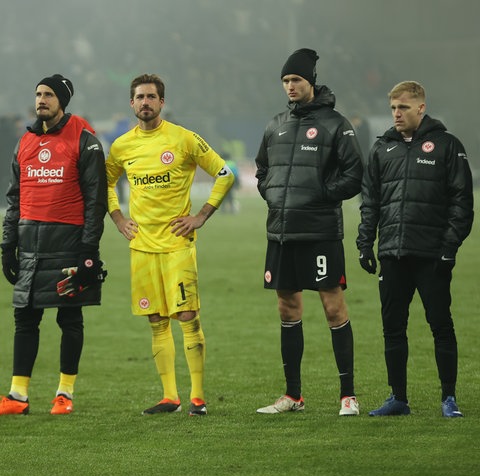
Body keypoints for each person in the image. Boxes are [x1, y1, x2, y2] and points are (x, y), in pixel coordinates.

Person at [105, 74, 234, 416]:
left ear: (162, 102)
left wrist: (202, 215)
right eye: (139, 97)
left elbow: (224, 173)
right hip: (142, 246)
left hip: (177, 243)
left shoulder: (184, 138)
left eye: (151, 96)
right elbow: (104, 182)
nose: (145, 102)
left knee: (187, 315)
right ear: (131, 104)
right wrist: (118, 218)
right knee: (156, 319)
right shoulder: (121, 146)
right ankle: (169, 397)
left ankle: (197, 397)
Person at [255, 48, 364, 415]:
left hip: (320, 232)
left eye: (296, 80)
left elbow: (354, 175)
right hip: (281, 233)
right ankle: (293, 395)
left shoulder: (336, 124)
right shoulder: (275, 124)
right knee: (287, 308)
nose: (290, 86)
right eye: (285, 81)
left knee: (333, 307)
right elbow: (261, 171)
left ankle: (347, 394)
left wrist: (320, 196)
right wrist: (272, 195)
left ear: (311, 83)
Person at [357, 81, 474, 417]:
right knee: (393, 328)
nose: (397, 114)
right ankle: (398, 398)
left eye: (403, 107)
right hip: (393, 254)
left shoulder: (447, 146)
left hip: (432, 256)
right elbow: (371, 202)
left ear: (421, 108)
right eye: (393, 107)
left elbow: (462, 203)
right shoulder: (382, 149)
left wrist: (449, 247)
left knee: (441, 324)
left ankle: (449, 398)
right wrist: (366, 244)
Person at [0, 74, 108, 415]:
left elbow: (96, 200)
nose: (41, 100)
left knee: (69, 319)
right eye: (38, 94)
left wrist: (89, 250)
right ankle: (18, 395)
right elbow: (14, 199)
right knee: (25, 319)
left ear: (62, 100)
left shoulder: (85, 140)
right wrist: (7, 245)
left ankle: (65, 393)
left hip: (69, 244)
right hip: (30, 245)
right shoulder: (25, 142)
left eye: (48, 94)